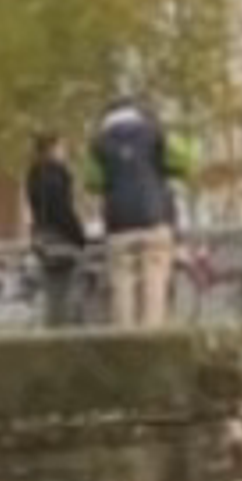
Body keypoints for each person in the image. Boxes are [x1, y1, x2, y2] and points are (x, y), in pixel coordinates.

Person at [92, 83, 185, 323]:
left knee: (121, 283)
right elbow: (183, 162)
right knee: (154, 282)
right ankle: (150, 338)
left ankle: (125, 339)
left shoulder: (98, 143)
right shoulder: (155, 132)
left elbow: (92, 182)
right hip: (154, 218)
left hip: (118, 223)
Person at [22, 130, 92, 330]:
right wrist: (79, 236)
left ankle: (53, 329)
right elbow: (62, 209)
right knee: (69, 290)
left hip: (43, 238)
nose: (65, 152)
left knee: (53, 291)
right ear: (52, 149)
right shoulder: (56, 174)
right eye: (62, 147)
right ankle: (65, 331)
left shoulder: (33, 174)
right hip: (62, 239)